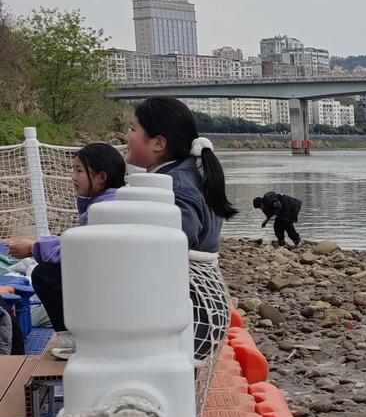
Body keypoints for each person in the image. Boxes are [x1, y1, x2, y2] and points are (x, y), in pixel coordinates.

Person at [5, 142, 127, 359]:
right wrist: (37, 243)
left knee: (44, 274)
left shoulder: (105, 209)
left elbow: (78, 250)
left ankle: (77, 340)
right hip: (110, 282)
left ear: (101, 177)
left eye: (79, 170)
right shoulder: (109, 201)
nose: (73, 177)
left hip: (109, 288)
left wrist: (34, 247)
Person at [125, 96, 236, 251]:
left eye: (132, 129)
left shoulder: (176, 186)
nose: (127, 135)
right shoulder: (188, 174)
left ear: (158, 143)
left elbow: (176, 242)